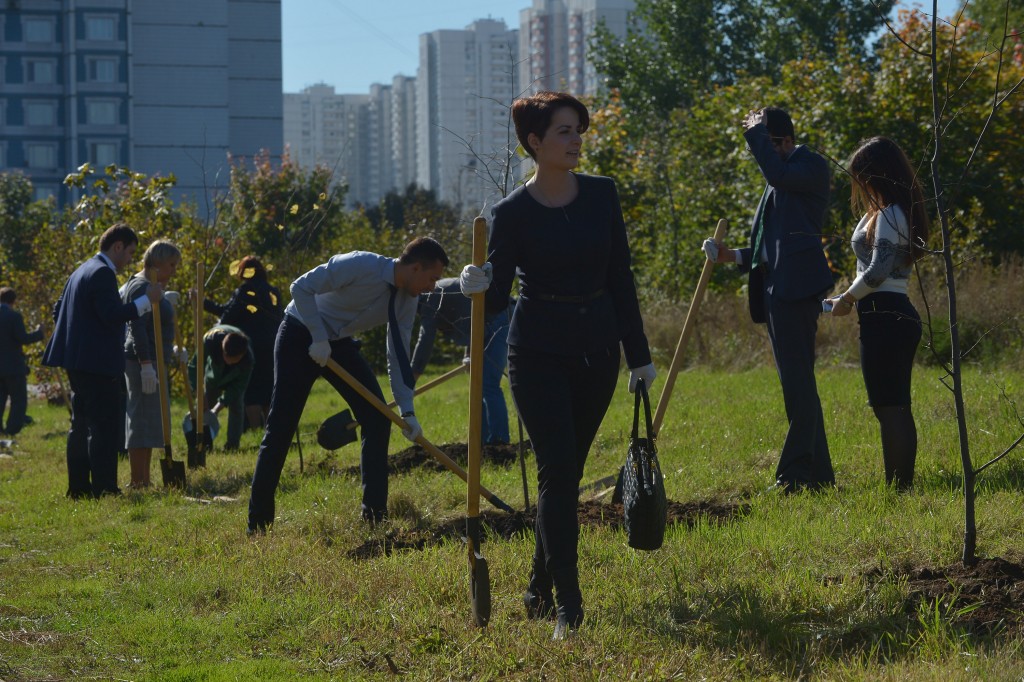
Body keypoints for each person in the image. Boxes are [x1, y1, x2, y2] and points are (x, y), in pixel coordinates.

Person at [460, 91, 656, 640]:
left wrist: (638, 355)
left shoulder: (601, 196)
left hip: (598, 351)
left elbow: (620, 277)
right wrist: (471, 283)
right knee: (557, 470)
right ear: (535, 143)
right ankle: (570, 606)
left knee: (565, 477)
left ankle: (537, 586)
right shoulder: (511, 214)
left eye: (578, 130)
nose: (576, 140)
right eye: (564, 132)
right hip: (537, 351)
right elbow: (496, 294)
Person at [247, 237, 449, 533]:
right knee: (281, 427)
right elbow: (300, 287)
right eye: (432, 278)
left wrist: (407, 411)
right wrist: (317, 336)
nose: (432, 287)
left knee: (378, 419)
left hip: (338, 343)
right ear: (415, 267)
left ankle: (374, 518)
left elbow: (398, 355)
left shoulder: (407, 300)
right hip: (300, 331)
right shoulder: (360, 264)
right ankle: (258, 525)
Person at [702, 106, 835, 494]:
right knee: (798, 386)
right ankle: (819, 475)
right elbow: (771, 245)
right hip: (778, 291)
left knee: (799, 387)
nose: (763, 151)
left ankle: (794, 476)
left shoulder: (808, 165)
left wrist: (756, 134)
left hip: (797, 291)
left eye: (768, 143)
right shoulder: (780, 176)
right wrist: (731, 256)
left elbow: (776, 173)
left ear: (786, 141)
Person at [825, 136, 929, 491]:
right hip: (884, 314)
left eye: (862, 177)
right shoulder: (887, 213)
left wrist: (848, 299)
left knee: (892, 407)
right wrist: (850, 296)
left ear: (877, 175)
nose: (860, 185)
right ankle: (899, 487)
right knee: (889, 405)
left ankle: (899, 490)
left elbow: (880, 268)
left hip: (887, 315)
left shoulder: (891, 213)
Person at [42, 224, 164, 498]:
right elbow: (111, 315)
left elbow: (58, 309)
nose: (130, 260)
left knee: (80, 424)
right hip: (97, 361)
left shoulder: (81, 270)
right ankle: (105, 487)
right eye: (130, 252)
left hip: (76, 358)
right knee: (104, 426)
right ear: (117, 246)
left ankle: (78, 487)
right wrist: (147, 300)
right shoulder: (102, 273)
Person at [411, 277, 512, 445]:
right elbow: (469, 317)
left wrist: (412, 376)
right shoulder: (429, 293)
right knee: (477, 384)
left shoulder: (428, 298)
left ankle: (499, 442)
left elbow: (426, 338)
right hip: (484, 325)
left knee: (488, 383)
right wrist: (468, 355)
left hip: (499, 320)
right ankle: (481, 442)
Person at [120, 240, 181, 488]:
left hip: (156, 360)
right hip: (142, 362)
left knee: (151, 418)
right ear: (157, 262)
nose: (174, 270)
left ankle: (144, 479)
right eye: (171, 264)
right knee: (141, 417)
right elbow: (137, 328)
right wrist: (146, 362)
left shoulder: (152, 286)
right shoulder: (140, 286)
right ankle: (138, 481)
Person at [202, 255, 282, 430]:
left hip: (250, 345)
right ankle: (272, 430)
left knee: (252, 392)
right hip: (273, 344)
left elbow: (227, 316)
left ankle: (255, 430)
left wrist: (203, 303)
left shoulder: (244, 291)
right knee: (269, 390)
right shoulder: (273, 292)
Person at [188, 324, 253, 451]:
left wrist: (217, 408)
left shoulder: (248, 360)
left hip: (234, 378)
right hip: (214, 376)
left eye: (234, 359)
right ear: (222, 347)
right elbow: (193, 367)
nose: (229, 361)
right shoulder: (209, 341)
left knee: (237, 406)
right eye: (226, 357)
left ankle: (232, 445)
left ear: (242, 355)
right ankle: (201, 443)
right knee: (204, 405)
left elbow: (237, 388)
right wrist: (200, 395)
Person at [0, 287, 45, 436]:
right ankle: (11, 429)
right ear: (13, 300)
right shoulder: (14, 317)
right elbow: (23, 338)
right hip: (13, 367)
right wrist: (39, 333)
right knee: (18, 401)